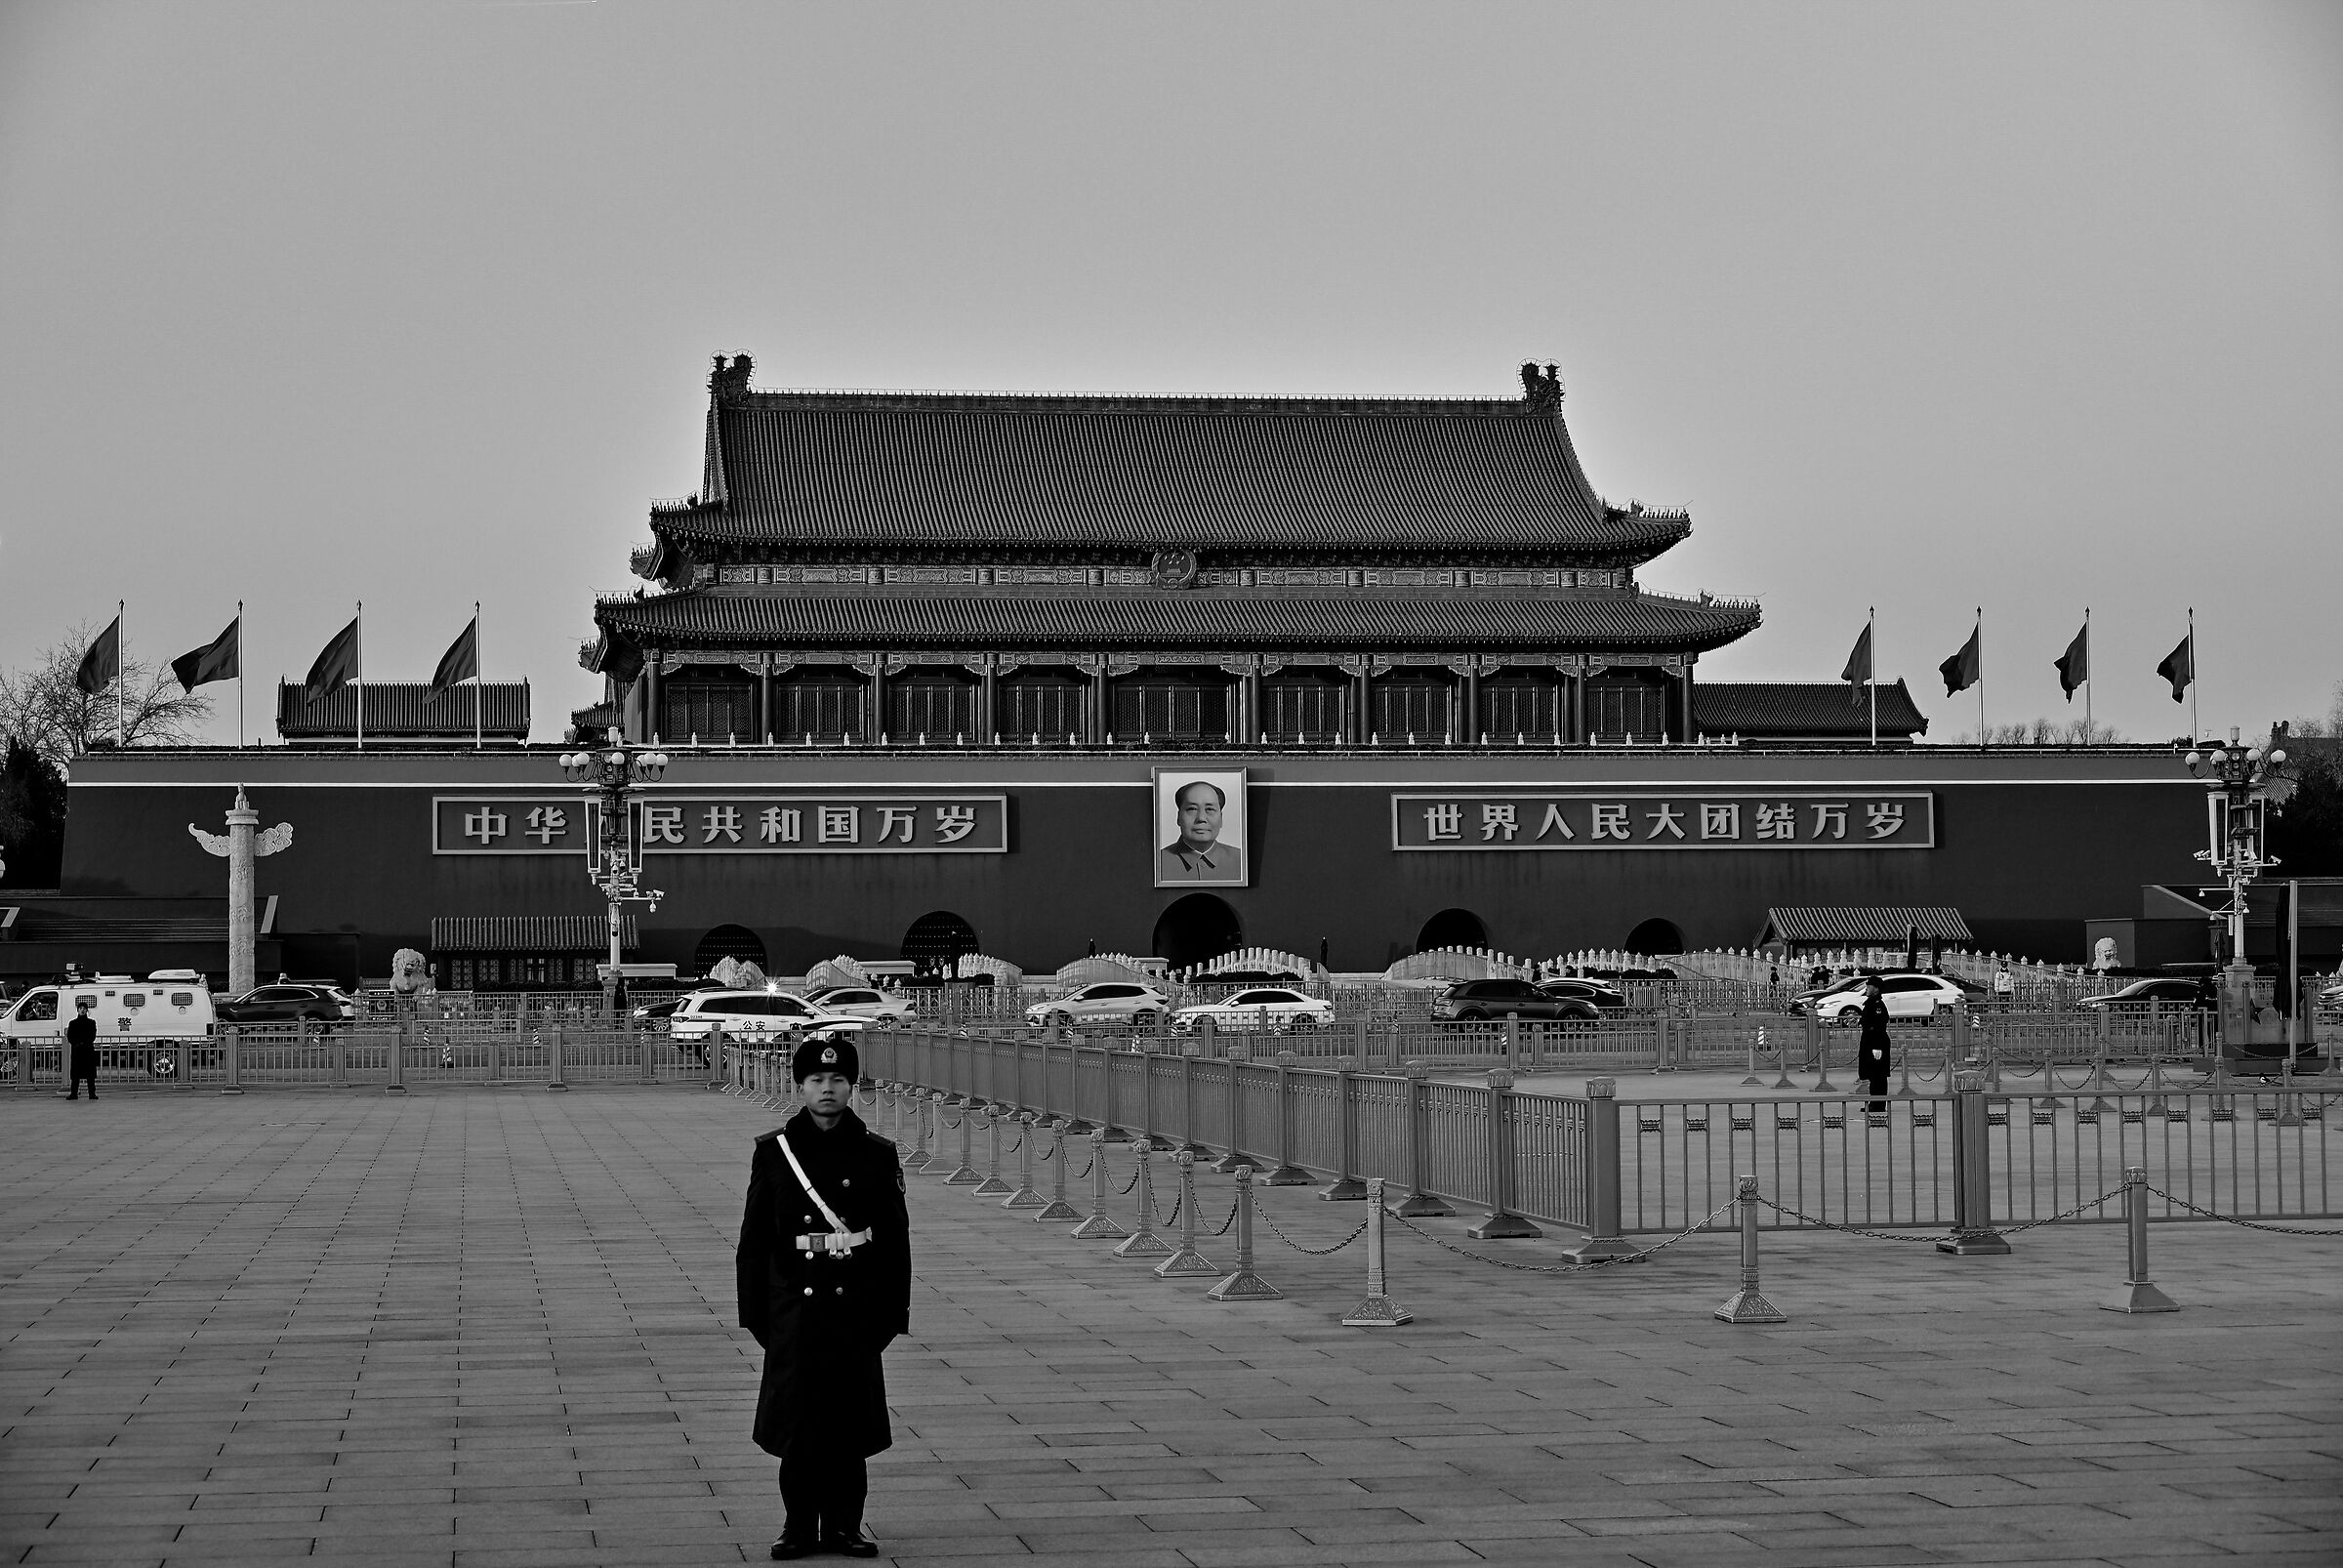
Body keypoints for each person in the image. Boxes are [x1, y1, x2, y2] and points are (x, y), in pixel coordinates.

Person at [737, 1036, 911, 1561]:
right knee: (797, 1426)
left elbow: (895, 1243)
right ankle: (796, 1527)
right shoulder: (774, 1153)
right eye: (817, 1080)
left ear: (852, 1087)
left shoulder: (877, 1154)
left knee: (847, 1425)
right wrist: (759, 1317)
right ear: (801, 1087)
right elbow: (753, 1242)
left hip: (853, 1307)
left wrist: (888, 1317)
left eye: (837, 1080)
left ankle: (843, 1527)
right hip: (794, 1307)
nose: (827, 1089)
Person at [1157, 778, 1244, 883]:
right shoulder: (1156, 862)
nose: (1201, 818)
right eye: (1192, 809)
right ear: (1178, 817)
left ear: (1221, 818)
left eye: (1210, 809)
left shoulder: (1243, 861)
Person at [1857, 976, 1892, 1111]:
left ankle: (1879, 1104)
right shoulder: (1871, 1003)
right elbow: (1867, 1021)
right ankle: (1874, 1102)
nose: (1866, 988)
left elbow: (1879, 1026)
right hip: (1870, 1042)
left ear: (1876, 989)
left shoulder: (1878, 1005)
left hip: (1876, 1043)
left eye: (1869, 986)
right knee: (1872, 1075)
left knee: (1878, 1076)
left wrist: (1877, 1047)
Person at [63, 996, 99, 1100]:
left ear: (87, 1010)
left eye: (84, 1008)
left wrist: (84, 1043)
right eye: (80, 1008)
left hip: (88, 1051)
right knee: (75, 1075)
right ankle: (73, 1094)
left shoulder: (91, 1022)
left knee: (90, 1075)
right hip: (77, 1051)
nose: (82, 1010)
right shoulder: (72, 1023)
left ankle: (92, 1094)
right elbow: (70, 1037)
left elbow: (92, 1036)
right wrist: (77, 1043)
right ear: (77, 1010)